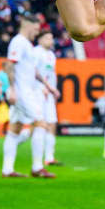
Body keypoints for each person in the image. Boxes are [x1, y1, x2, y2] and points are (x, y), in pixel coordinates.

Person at [1, 14, 56, 178]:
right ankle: (37, 167)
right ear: (28, 26)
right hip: (22, 92)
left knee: (15, 129)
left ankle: (7, 169)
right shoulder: (18, 42)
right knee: (41, 123)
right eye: (36, 29)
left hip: (26, 91)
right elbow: (10, 64)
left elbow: (33, 70)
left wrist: (48, 86)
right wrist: (12, 89)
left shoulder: (27, 45)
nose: (37, 32)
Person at [33, 29, 62, 166]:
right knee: (41, 123)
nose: (51, 41)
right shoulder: (35, 52)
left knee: (52, 122)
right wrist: (43, 87)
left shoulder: (51, 55)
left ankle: (49, 157)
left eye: (51, 38)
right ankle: (39, 157)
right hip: (38, 91)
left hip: (49, 92)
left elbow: (52, 74)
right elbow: (32, 72)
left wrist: (54, 89)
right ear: (40, 40)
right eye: (48, 38)